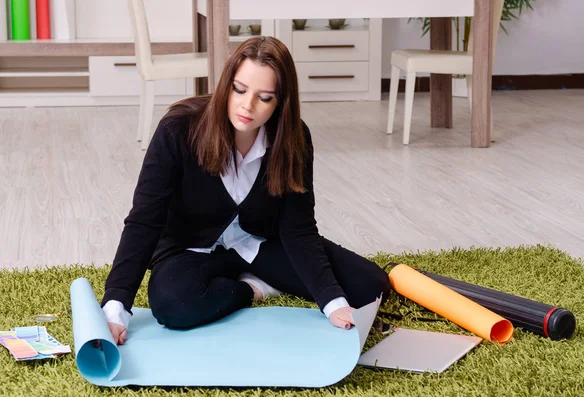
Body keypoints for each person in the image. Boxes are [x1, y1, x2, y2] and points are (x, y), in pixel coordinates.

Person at [101, 36, 390, 345]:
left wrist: (332, 303)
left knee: (371, 286)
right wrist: (116, 306)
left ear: (280, 101)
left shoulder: (294, 139)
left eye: (264, 97)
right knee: (174, 302)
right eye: (239, 90)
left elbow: (299, 228)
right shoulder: (177, 129)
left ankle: (257, 277)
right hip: (192, 251)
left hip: (260, 246)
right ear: (226, 84)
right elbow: (145, 220)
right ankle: (251, 288)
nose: (247, 106)